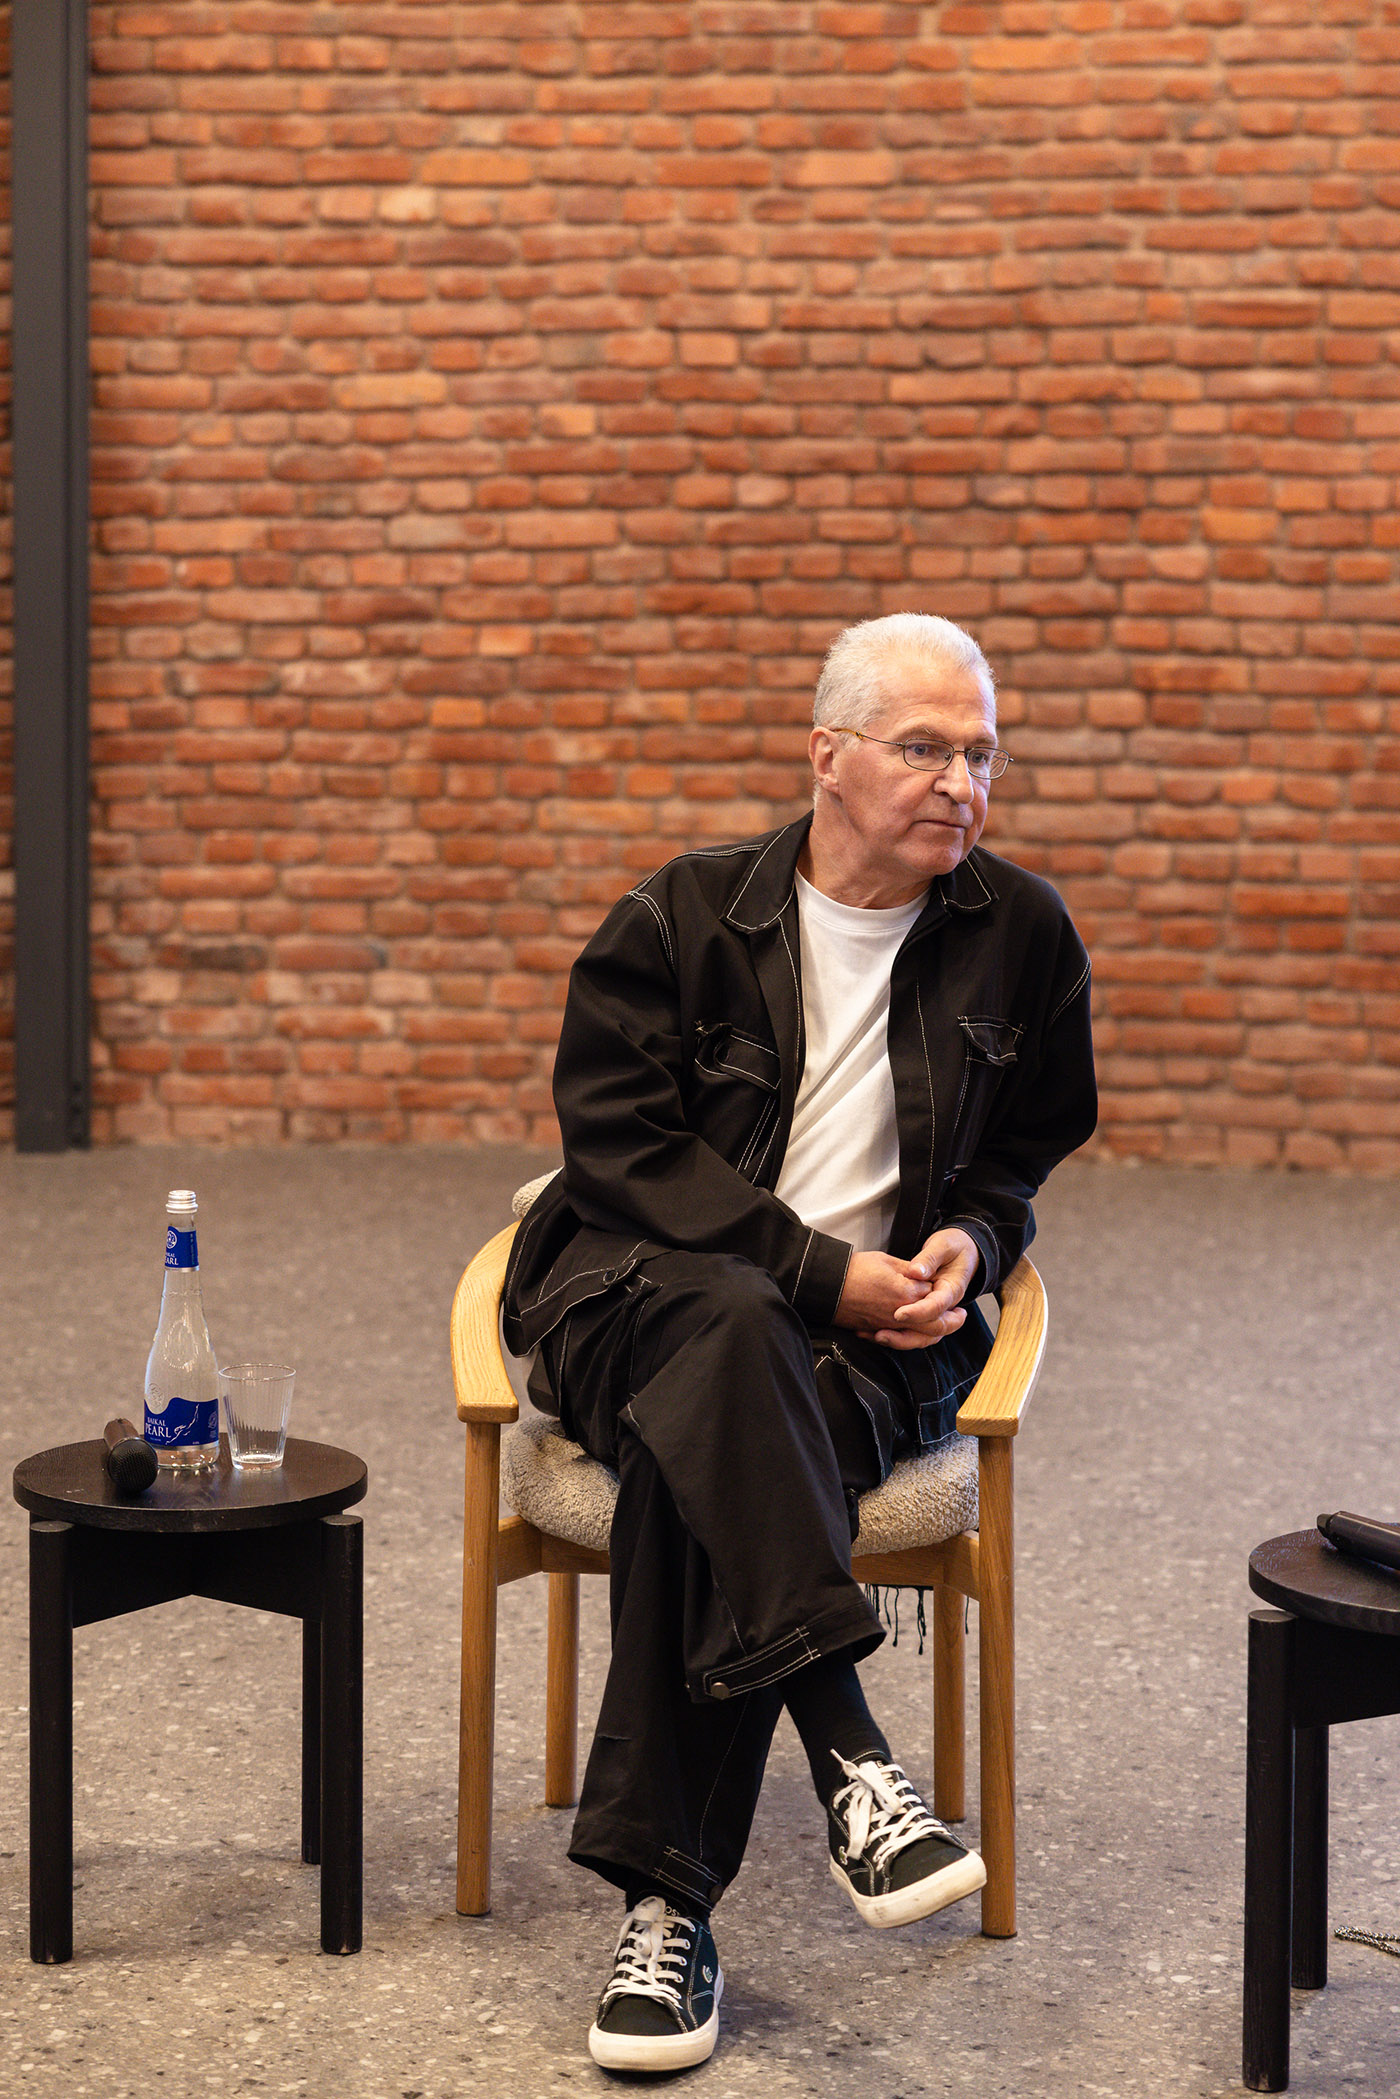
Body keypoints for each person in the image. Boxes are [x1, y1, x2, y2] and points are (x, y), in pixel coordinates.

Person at [503, 612, 1097, 2074]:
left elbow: (1025, 1146)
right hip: (634, 1301)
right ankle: (852, 1755)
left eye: (983, 754)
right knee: (726, 1317)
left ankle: (666, 1914)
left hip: (865, 1348)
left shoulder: (1022, 931)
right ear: (828, 756)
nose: (962, 783)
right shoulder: (681, 916)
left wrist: (977, 1241)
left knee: (702, 1457)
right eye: (925, 749)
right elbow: (620, 1151)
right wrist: (818, 1270)